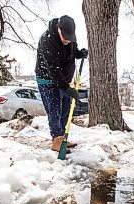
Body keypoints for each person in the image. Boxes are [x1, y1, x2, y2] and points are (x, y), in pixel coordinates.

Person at [35, 15, 88, 152]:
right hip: (48, 80)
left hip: (64, 80)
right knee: (55, 108)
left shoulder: (70, 39)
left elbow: (71, 52)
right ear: (59, 29)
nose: (67, 40)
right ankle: (56, 139)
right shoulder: (47, 40)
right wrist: (67, 88)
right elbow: (53, 69)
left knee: (65, 109)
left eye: (70, 38)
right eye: (65, 37)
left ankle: (62, 137)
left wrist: (79, 53)